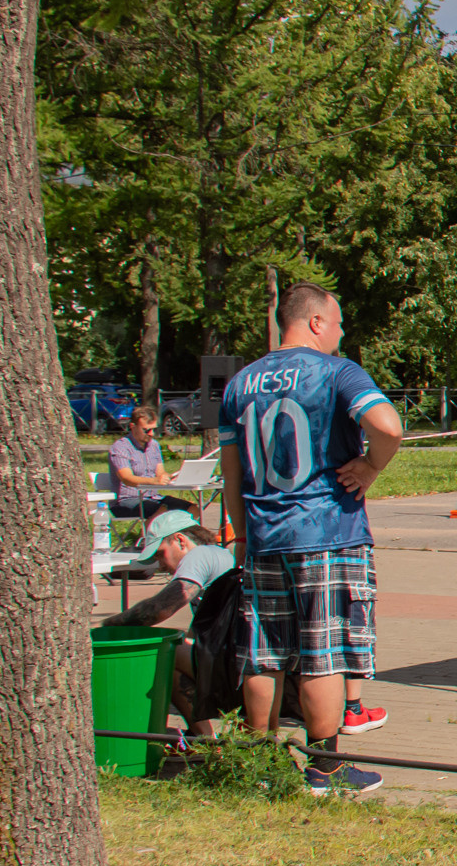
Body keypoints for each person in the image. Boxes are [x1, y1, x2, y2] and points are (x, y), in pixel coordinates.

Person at [219, 284, 403, 798]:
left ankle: (258, 760)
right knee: (323, 651)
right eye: (339, 323)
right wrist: (370, 466)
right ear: (317, 322)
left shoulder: (240, 384)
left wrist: (240, 535)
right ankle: (324, 767)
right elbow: (387, 425)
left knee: (264, 651)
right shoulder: (336, 372)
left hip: (262, 534)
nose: (342, 334)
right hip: (326, 532)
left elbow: (231, 474)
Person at [100, 508, 236, 734]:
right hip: (237, 659)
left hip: (235, 664)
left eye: (160, 554)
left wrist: (109, 626)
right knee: (173, 660)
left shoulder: (198, 556)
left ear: (180, 540)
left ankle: (203, 738)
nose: (159, 565)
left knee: (165, 651)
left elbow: (159, 609)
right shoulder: (218, 555)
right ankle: (203, 740)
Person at [108, 406, 190, 520]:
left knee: (191, 509)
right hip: (127, 500)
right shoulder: (120, 447)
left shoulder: (154, 445)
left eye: (154, 429)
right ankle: (153, 537)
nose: (151, 434)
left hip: (154, 497)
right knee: (163, 511)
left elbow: (160, 472)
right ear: (133, 427)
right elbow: (126, 478)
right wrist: (154, 481)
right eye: (146, 430)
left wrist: (170, 477)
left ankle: (179, 536)